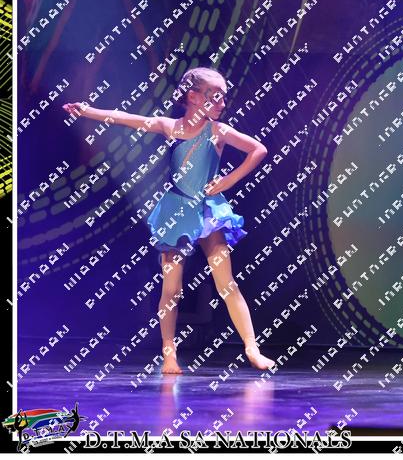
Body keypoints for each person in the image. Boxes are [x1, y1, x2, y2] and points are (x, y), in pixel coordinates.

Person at [62, 66, 276, 374]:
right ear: (193, 96)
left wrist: (227, 181)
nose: (222, 103)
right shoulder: (169, 126)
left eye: (223, 97)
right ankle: (169, 354)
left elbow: (259, 149)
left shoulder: (218, 131)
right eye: (215, 96)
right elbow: (125, 118)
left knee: (226, 283)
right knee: (172, 289)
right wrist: (87, 111)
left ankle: (252, 348)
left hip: (208, 211)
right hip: (176, 212)